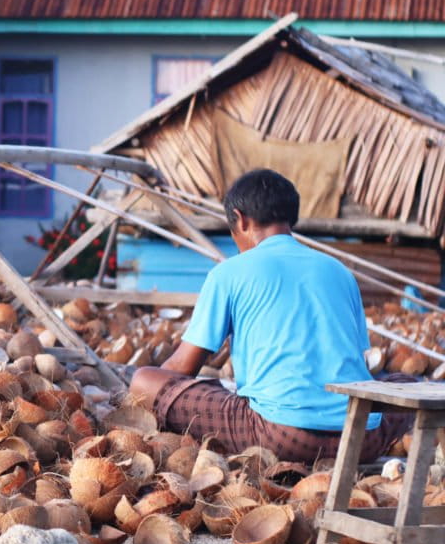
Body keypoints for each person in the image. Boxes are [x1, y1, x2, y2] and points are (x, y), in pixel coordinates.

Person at [128, 169, 411, 464]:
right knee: (404, 381)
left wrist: (153, 385)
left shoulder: (228, 272)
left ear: (240, 219)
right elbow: (359, 361)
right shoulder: (339, 271)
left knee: (144, 380)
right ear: (291, 217)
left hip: (280, 436)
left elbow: (182, 367)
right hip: (360, 439)